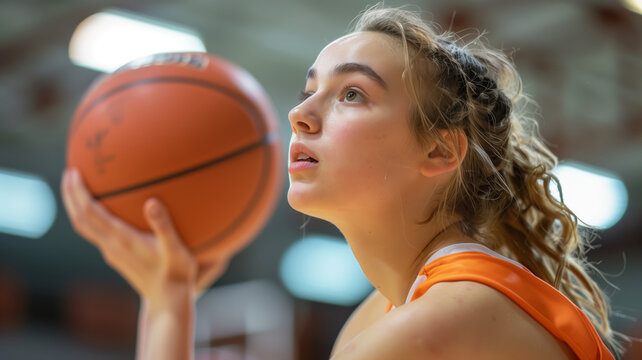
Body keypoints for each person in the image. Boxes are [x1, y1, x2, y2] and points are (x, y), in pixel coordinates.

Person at [61, 5, 624, 360]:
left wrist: (168, 307)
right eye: (310, 89)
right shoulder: (387, 309)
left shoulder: (434, 323)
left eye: (352, 93)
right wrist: (170, 297)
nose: (300, 113)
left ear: (438, 149)